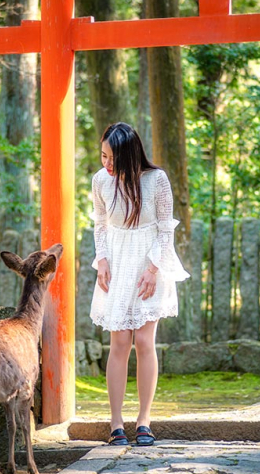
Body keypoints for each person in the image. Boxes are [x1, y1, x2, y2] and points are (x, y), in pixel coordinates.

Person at [89, 122, 189, 447]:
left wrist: (153, 268)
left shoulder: (156, 180)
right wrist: (101, 260)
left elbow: (165, 228)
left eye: (112, 158)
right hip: (117, 263)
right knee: (119, 343)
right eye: (103, 155)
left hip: (150, 262)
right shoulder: (100, 181)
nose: (106, 163)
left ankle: (144, 421)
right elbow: (100, 224)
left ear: (130, 156)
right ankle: (116, 423)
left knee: (145, 341)